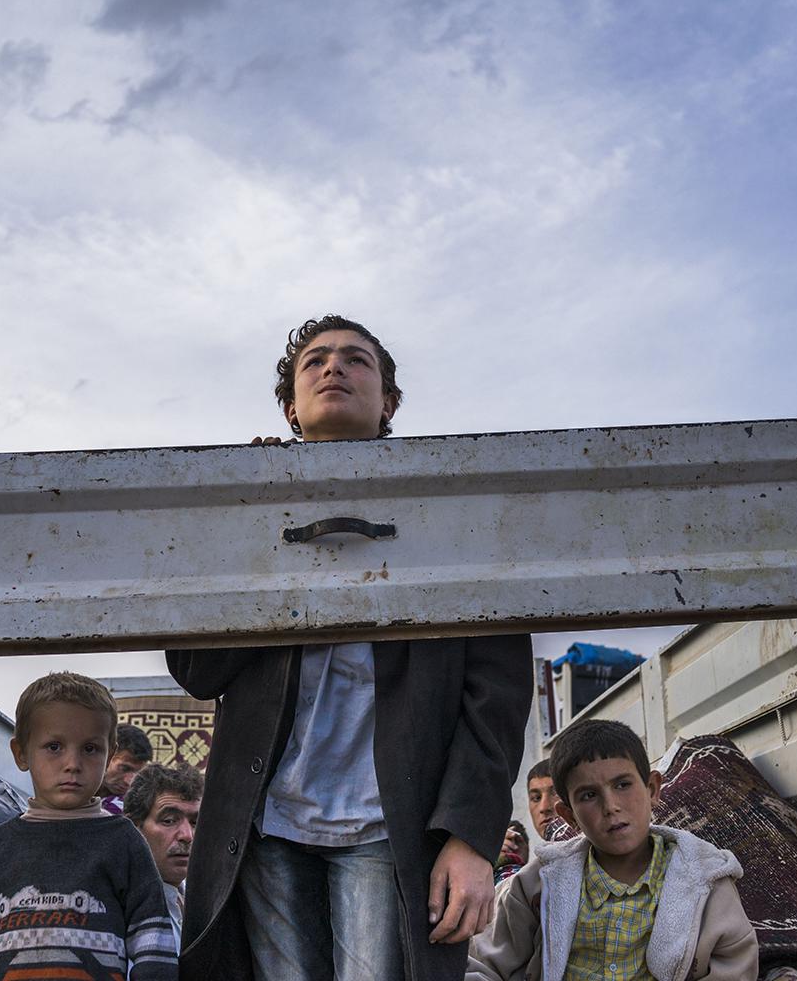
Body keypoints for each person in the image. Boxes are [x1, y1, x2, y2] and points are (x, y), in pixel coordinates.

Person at [167, 315, 534, 981]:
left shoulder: (445, 517)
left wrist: (469, 834)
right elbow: (196, 668)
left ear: (389, 401)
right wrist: (250, 521)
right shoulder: (253, 512)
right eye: (315, 361)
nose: (334, 367)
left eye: (356, 360)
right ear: (289, 407)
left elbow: (498, 694)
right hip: (268, 825)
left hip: (386, 824)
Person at [466, 719, 758, 981]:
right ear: (569, 816)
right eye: (589, 795)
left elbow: (735, 965)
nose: (611, 807)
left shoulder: (706, 880)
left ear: (653, 790)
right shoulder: (536, 886)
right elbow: (486, 964)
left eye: (622, 784)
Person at [0, 673, 176, 981]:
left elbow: (154, 948)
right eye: (54, 746)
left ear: (109, 754)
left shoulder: (124, 842)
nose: (72, 763)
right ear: (21, 753)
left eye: (90, 749)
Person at [123, 763, 204, 952]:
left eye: (195, 822)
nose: (187, 835)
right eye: (169, 821)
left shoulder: (198, 899)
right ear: (133, 829)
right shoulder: (119, 909)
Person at [99, 723, 155, 814]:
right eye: (124, 769)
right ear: (105, 755)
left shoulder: (128, 806)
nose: (129, 782)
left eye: (138, 773)